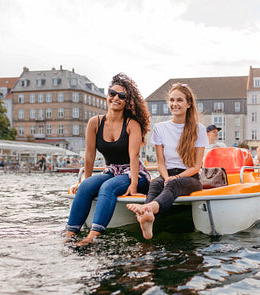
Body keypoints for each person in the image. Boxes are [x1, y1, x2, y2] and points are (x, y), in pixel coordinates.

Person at [65, 73, 151, 246]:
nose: (116, 98)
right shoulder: (94, 123)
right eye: (113, 93)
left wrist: (133, 185)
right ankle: (70, 234)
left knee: (108, 187)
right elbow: (89, 155)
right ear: (107, 95)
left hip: (135, 174)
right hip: (111, 171)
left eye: (122, 96)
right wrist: (86, 182)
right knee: (86, 187)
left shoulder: (132, 124)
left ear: (128, 101)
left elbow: (134, 157)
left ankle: (92, 237)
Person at [127, 83, 208, 240]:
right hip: (166, 175)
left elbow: (196, 166)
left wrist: (175, 178)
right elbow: (161, 163)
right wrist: (166, 177)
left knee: (172, 184)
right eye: (171, 100)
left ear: (188, 104)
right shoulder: (160, 128)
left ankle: (147, 209)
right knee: (156, 184)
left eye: (179, 100)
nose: (174, 104)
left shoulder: (199, 129)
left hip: (190, 178)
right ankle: (148, 221)